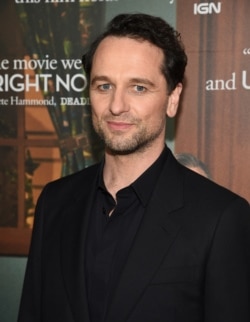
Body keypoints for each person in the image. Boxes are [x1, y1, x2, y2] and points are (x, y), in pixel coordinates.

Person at [18, 13, 250, 322]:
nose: (116, 105)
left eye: (138, 88)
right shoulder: (55, 202)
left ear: (172, 99)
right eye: (104, 86)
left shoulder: (220, 217)